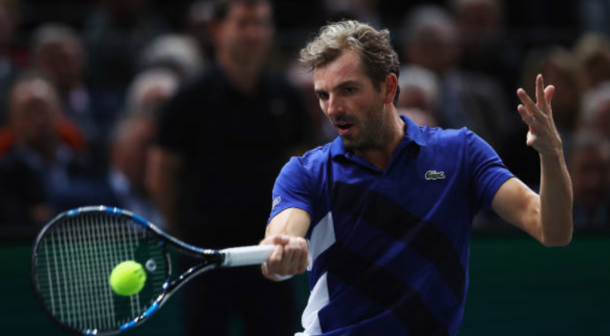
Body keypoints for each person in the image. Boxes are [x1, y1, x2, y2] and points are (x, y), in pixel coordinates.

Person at [260, 20, 573, 336]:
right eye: (323, 95)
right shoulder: (305, 173)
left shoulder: (460, 153)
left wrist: (552, 153)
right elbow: (282, 235)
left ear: (389, 87)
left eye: (348, 90)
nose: (333, 108)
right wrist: (281, 249)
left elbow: (552, 229)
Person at [147, 0, 312, 335]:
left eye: (262, 24)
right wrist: (184, 233)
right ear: (217, 30)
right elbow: (161, 173)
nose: (254, 33)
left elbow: (302, 173)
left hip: (269, 253)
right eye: (244, 23)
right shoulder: (189, 99)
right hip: (205, 256)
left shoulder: (287, 97)